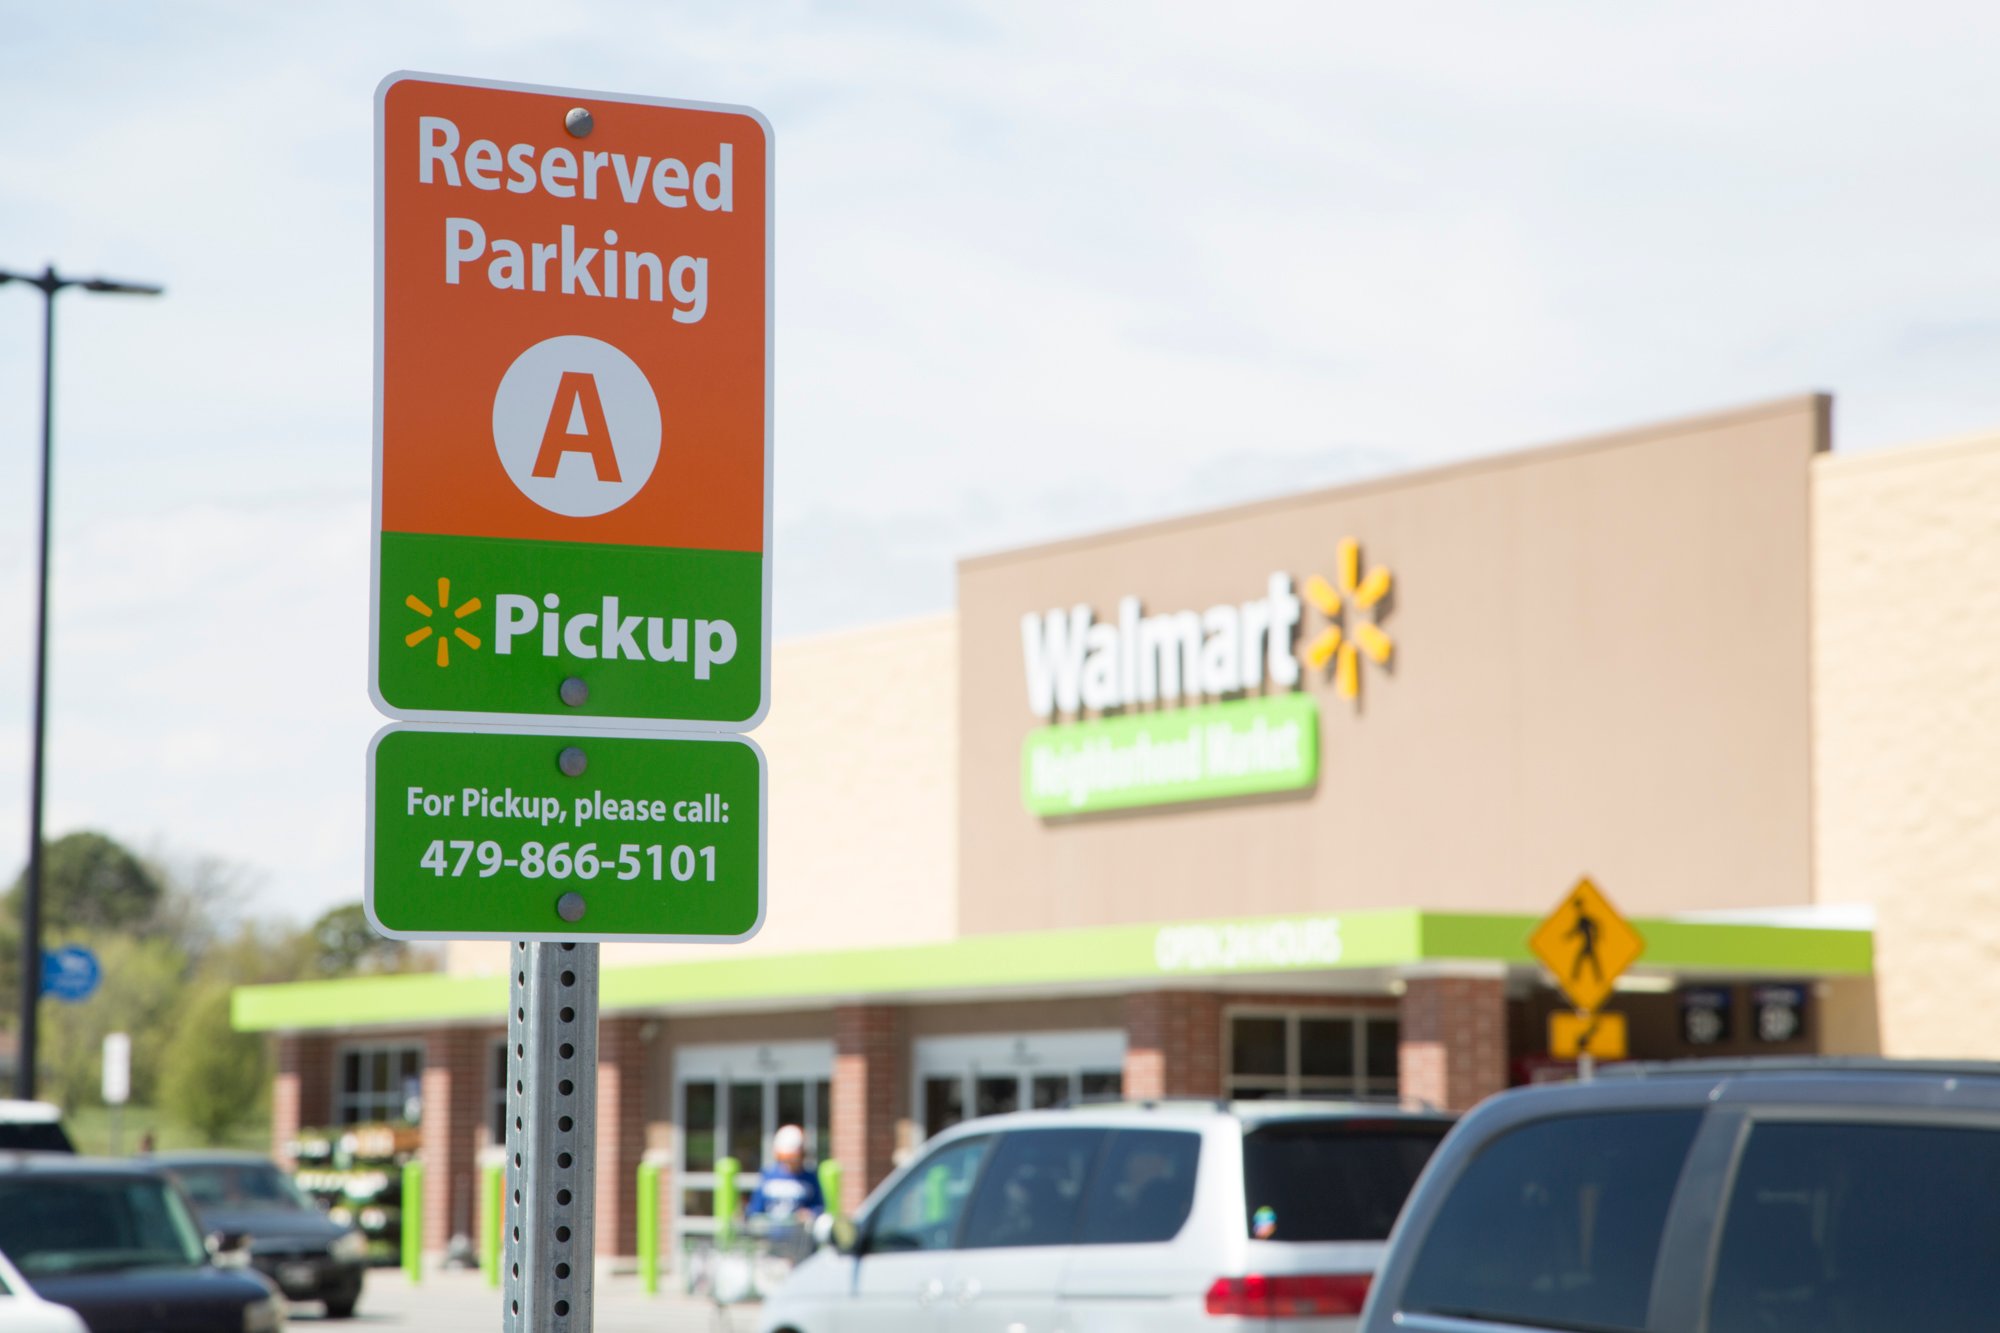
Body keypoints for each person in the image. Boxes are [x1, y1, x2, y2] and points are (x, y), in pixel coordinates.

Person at [746, 1125, 824, 1230]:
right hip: (771, 1237)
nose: (790, 1162)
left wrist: (809, 1214)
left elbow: (819, 1207)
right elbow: (755, 1209)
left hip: (799, 1239)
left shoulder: (810, 1178)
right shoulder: (768, 1176)